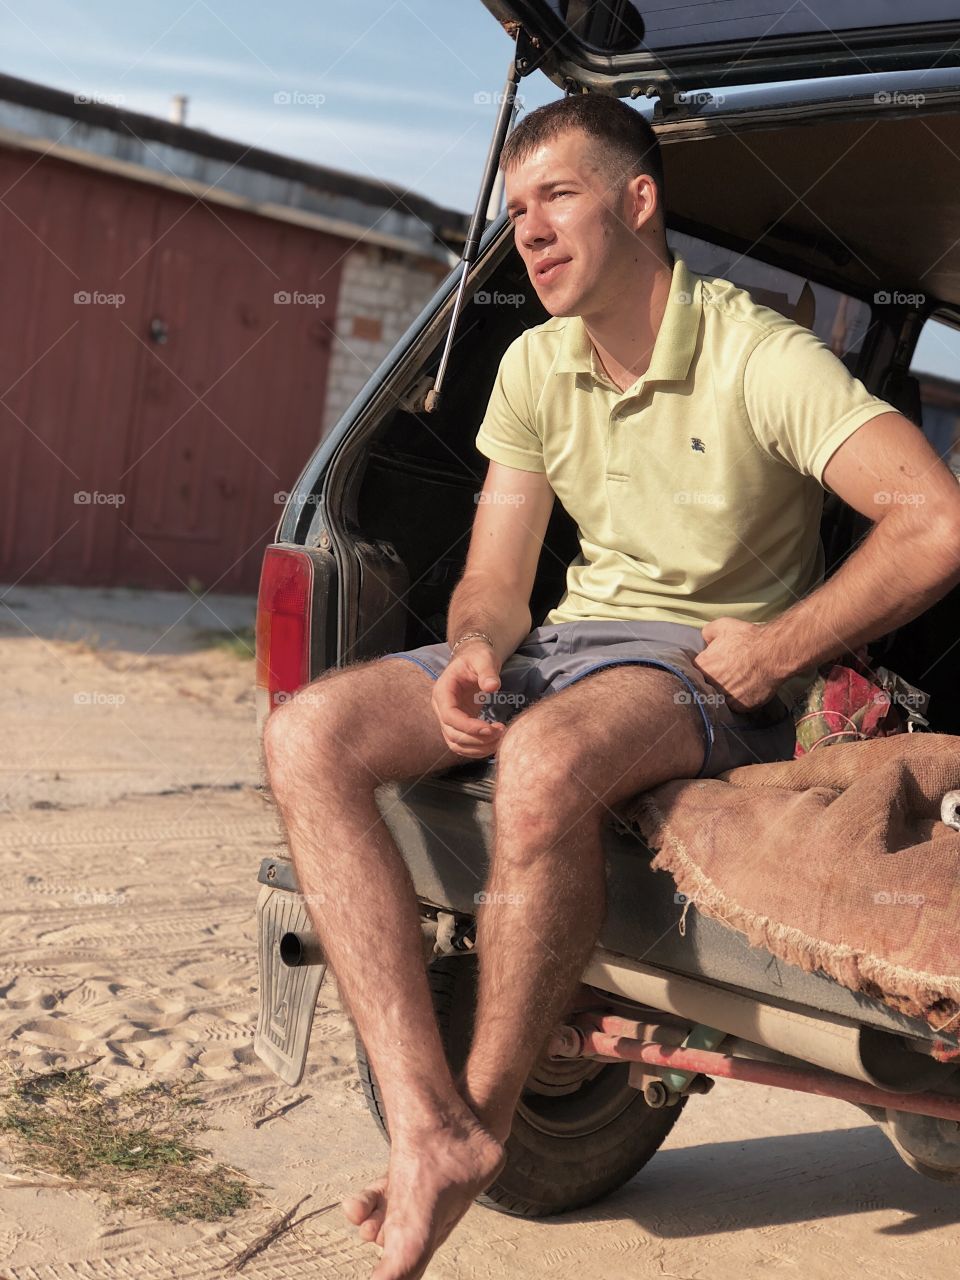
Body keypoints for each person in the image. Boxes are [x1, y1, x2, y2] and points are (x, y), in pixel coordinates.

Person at [263, 94, 960, 1280]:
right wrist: (478, 646)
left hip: (702, 668)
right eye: (516, 210)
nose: (529, 232)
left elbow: (934, 520)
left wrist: (780, 648)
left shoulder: (757, 353)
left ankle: (473, 1125)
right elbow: (493, 574)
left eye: (559, 199)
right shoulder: (534, 362)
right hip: (566, 646)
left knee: (543, 766)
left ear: (639, 201)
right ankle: (427, 1118)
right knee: (308, 732)